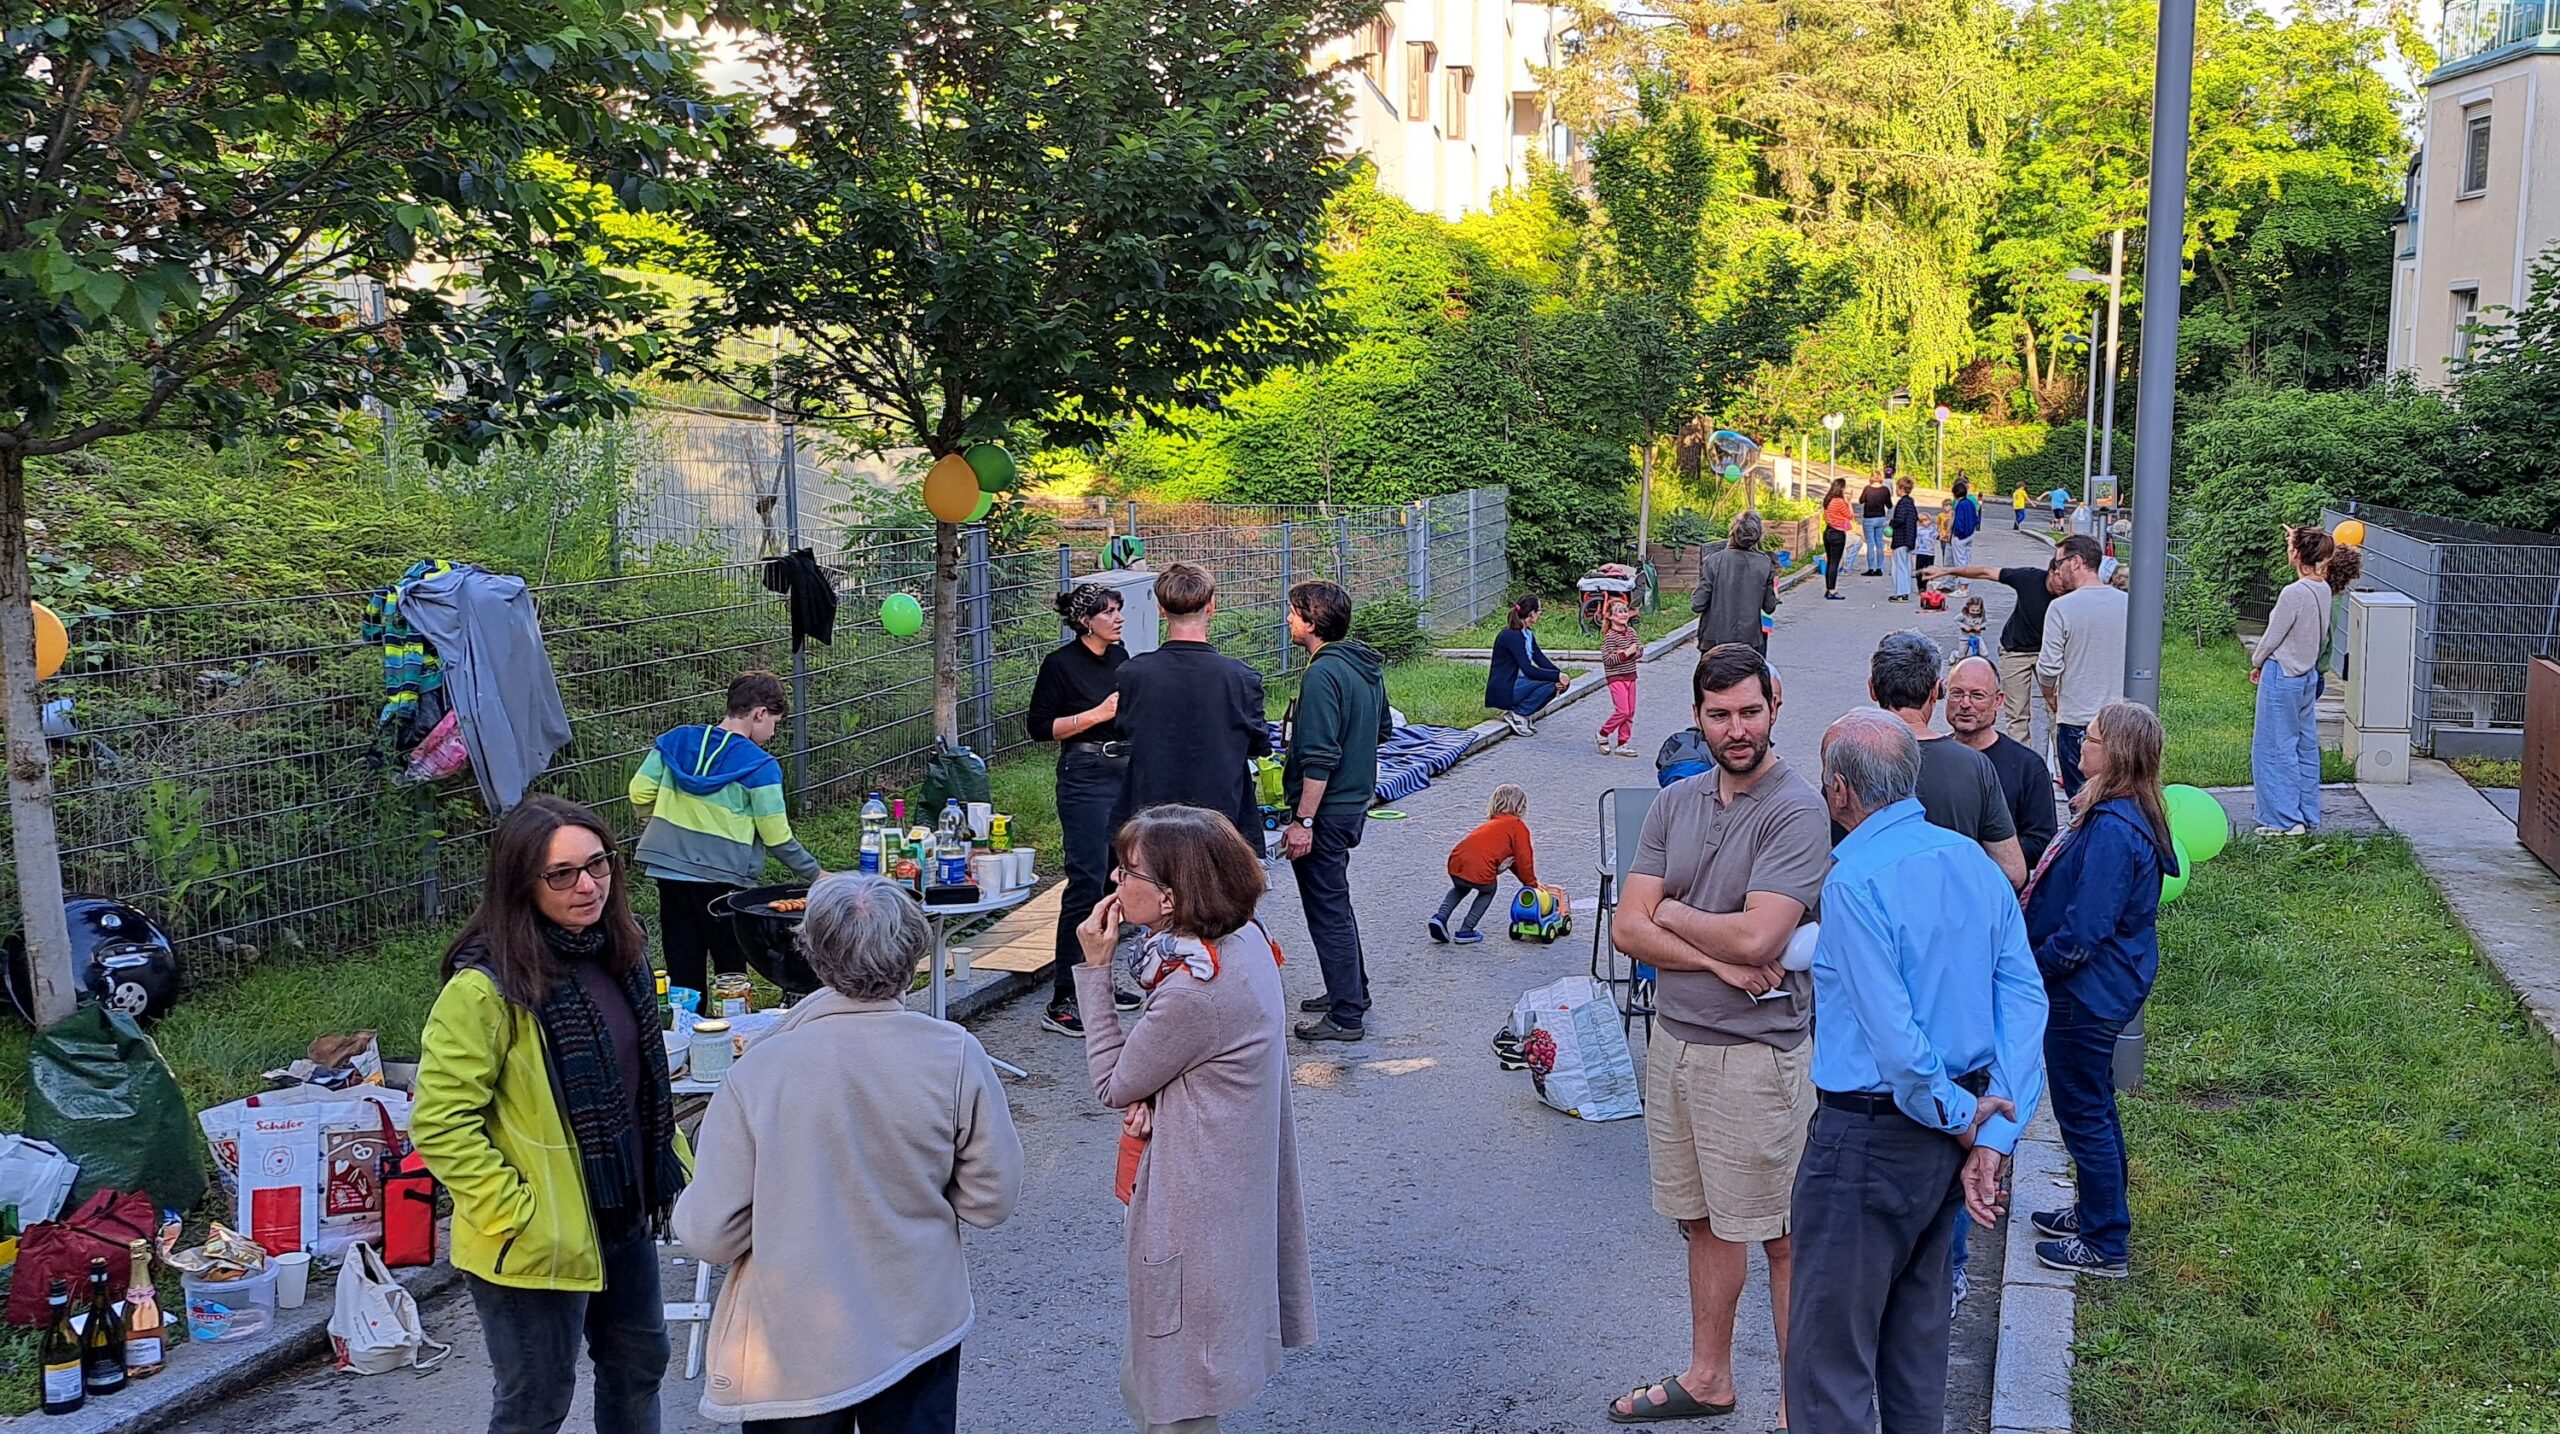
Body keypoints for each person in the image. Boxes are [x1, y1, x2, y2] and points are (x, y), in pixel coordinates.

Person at [674, 873, 1024, 1431]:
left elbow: (708, 1234)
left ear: (812, 953)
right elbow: (990, 1201)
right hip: (920, 1319)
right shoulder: (954, 1055)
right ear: (914, 955)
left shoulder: (761, 1070)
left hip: (794, 1347)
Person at [1786, 711, 2047, 1434]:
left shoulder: (1854, 881)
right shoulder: (1973, 862)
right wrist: (1994, 1131)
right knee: (1917, 1355)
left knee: (1828, 1367)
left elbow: (1896, 1044)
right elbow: (2024, 997)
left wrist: (1964, 1121)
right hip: (1947, 1136)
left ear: (1838, 791)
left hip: (1868, 1138)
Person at [1606, 644, 1830, 1430]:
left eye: (1749, 711)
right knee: (1700, 1220)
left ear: (1774, 706)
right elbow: (1628, 930)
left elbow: (1760, 937)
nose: (1737, 729)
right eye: (1719, 715)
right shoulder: (1678, 802)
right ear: (1698, 717)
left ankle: (1801, 1405)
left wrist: (1677, 917)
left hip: (1755, 1061)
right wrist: (1720, 957)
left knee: (1779, 1234)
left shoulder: (1798, 809)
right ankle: (1710, 1379)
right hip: (1676, 1045)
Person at [413, 795, 687, 1434]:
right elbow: (441, 1122)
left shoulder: (621, 952)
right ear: (521, 884)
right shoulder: (484, 988)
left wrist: (672, 1166)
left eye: (598, 865)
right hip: (534, 1234)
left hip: (622, 1209)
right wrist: (516, 1213)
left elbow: (642, 1085)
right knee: (536, 1402)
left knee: (639, 1368)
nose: (587, 886)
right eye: (561, 874)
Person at [1072, 805, 1315, 1433]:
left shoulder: (1193, 991)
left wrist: (1095, 972)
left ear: (1173, 896)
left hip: (1193, 1210)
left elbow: (1112, 1081)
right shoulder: (1243, 942)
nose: (1115, 885)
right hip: (1227, 1195)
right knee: (1165, 1381)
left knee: (1177, 1399)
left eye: (1128, 873)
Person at [2021, 701, 2176, 1280]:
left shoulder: (2114, 827)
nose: (2080, 745)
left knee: (2084, 1112)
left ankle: (2105, 1241)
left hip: (2086, 992)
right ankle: (2092, 1211)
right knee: (2093, 1106)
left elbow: (2086, 930)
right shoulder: (2120, 811)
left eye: (2090, 738)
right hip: (2098, 985)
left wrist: (2037, 970)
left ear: (2115, 753)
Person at [628, 671, 823, 997]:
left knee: (682, 961)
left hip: (670, 873)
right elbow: (776, 837)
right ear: (759, 713)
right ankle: (731, 1034)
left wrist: (662, 825)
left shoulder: (676, 741)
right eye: (774, 723)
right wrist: (816, 874)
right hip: (724, 881)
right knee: (730, 964)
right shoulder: (761, 767)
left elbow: (639, 792)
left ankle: (686, 1030)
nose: (772, 733)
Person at [1281, 581, 1393, 1043]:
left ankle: (1347, 1015)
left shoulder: (1323, 674)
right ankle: (1350, 990)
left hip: (1326, 812)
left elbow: (1319, 755)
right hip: (1353, 804)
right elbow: (1383, 729)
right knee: (1336, 903)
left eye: (1292, 613)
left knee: (1327, 909)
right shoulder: (1364, 666)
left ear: (1311, 621)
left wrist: (1303, 820)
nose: (1287, 619)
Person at [1026, 584, 1138, 1037]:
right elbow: (1039, 727)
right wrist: (1095, 714)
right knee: (1086, 880)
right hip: (1085, 772)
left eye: (1118, 610)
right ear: (1084, 620)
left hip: (1124, 768)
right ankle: (1064, 998)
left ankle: (1101, 983)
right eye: (1108, 612)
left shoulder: (1121, 656)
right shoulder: (1060, 665)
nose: (1117, 618)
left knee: (1119, 880)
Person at [1113, 562, 1271, 849]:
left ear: (1161, 609)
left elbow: (1123, 733)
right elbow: (1259, 745)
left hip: (1151, 822)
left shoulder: (1132, 674)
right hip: (1220, 823)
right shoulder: (1241, 678)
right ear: (1212, 606)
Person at [1867, 633, 2026, 888]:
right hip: (1954, 915)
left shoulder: (1847, 754)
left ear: (1872, 689)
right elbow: (2014, 872)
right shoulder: (1974, 765)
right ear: (1935, 691)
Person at [2250, 526, 2336, 835]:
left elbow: (2274, 634)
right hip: (2307, 675)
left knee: (2274, 747)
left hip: (2283, 672)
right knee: (2304, 746)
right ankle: (2307, 813)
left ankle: (2282, 820)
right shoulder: (2323, 588)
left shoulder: (2294, 593)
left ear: (2296, 554)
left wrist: (2257, 660)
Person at [1938, 553, 2065, 746]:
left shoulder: (2072, 592)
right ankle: (2024, 766)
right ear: (2052, 572)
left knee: (2058, 710)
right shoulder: (2028, 578)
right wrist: (1948, 570)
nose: (2065, 588)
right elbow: (1985, 572)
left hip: (2049, 653)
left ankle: (2061, 767)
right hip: (2016, 651)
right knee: (2017, 714)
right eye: (2062, 581)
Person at [1944, 655, 2059, 869]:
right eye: (1957, 693)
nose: (1965, 704)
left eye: (1977, 695)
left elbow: (2042, 842)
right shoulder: (1931, 757)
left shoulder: (2028, 766)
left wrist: (1982, 854)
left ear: (1998, 701)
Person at [2037, 536, 2126, 798]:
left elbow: (2048, 667)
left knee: (2081, 803)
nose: (2056, 570)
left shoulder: (2061, 607)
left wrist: (2049, 693)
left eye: (2059, 562)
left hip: (2077, 720)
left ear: (2076, 562)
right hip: (2120, 721)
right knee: (2117, 798)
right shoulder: (2127, 604)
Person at [1434, 784, 1539, 945]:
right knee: (1488, 891)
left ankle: (1440, 917)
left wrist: (1526, 882)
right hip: (1480, 867)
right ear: (1521, 807)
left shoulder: (1492, 823)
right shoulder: (1517, 827)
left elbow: (1511, 861)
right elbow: (1524, 859)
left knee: (1460, 887)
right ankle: (1466, 930)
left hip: (1456, 861)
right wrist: (1531, 884)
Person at [1693, 512, 1779, 655]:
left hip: (1714, 642)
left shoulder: (1713, 561)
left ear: (1733, 531)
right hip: (1750, 643)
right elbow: (1769, 607)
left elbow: (1697, 604)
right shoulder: (1765, 564)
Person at [1485, 594, 1569, 736]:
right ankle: (1518, 714)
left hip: (1518, 684)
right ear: (1531, 614)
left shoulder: (1527, 633)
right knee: (1551, 683)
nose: (1540, 614)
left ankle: (1522, 712)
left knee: (1555, 683)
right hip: (1505, 688)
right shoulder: (1511, 635)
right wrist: (1556, 676)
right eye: (1539, 611)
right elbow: (1528, 670)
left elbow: (1540, 658)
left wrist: (1560, 674)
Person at [2316, 543, 2364, 699]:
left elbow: (2321, 640)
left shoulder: (2324, 598)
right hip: (2318, 673)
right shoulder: (2335, 595)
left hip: (2312, 671)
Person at [1598, 600, 1643, 756]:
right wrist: (1626, 653)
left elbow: (1639, 649)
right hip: (1616, 677)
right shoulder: (1610, 637)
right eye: (1619, 611)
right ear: (1610, 616)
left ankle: (1622, 743)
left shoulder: (1631, 632)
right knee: (1622, 710)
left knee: (1630, 712)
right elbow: (1608, 660)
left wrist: (1626, 652)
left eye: (1625, 611)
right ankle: (1603, 733)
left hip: (1630, 675)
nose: (1624, 614)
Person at [1887, 476, 1919, 602]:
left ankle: (1900, 593)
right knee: (1905, 566)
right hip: (1909, 539)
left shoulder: (1902, 503)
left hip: (1901, 539)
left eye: (1897, 487)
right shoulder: (1911, 503)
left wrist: (1890, 522)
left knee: (1898, 567)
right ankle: (1905, 592)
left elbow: (1900, 520)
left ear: (1901, 488)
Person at [1821, 479, 1854, 602]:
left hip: (1828, 531)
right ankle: (1832, 590)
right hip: (1837, 533)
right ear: (1841, 488)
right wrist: (1849, 502)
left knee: (1830, 562)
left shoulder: (1828, 500)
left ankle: (1828, 588)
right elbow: (1850, 515)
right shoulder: (1839, 502)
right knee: (1835, 562)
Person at [1858, 469, 1893, 577]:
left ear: (1871, 478)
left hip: (1869, 519)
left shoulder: (1867, 489)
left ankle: (1871, 568)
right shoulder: (1885, 490)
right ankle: (1880, 568)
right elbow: (1889, 505)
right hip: (1880, 518)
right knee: (1879, 543)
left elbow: (1861, 500)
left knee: (1870, 543)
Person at [1948, 478, 1979, 589]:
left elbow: (1959, 521)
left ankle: (1963, 586)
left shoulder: (1960, 505)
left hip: (1960, 537)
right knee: (1967, 560)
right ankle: (1966, 584)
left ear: (1955, 494)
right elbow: (1976, 518)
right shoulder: (1970, 503)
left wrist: (1957, 534)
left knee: (1960, 561)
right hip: (1970, 535)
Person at [1958, 594, 1988, 659]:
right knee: (1962, 656)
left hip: (1977, 635)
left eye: (1977, 610)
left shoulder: (1982, 615)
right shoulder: (1963, 615)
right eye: (1972, 610)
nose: (1975, 613)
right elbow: (1956, 620)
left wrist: (1981, 626)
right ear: (1968, 608)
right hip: (1965, 636)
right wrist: (1964, 626)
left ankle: (1978, 659)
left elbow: (1985, 622)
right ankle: (1954, 654)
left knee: (1984, 654)